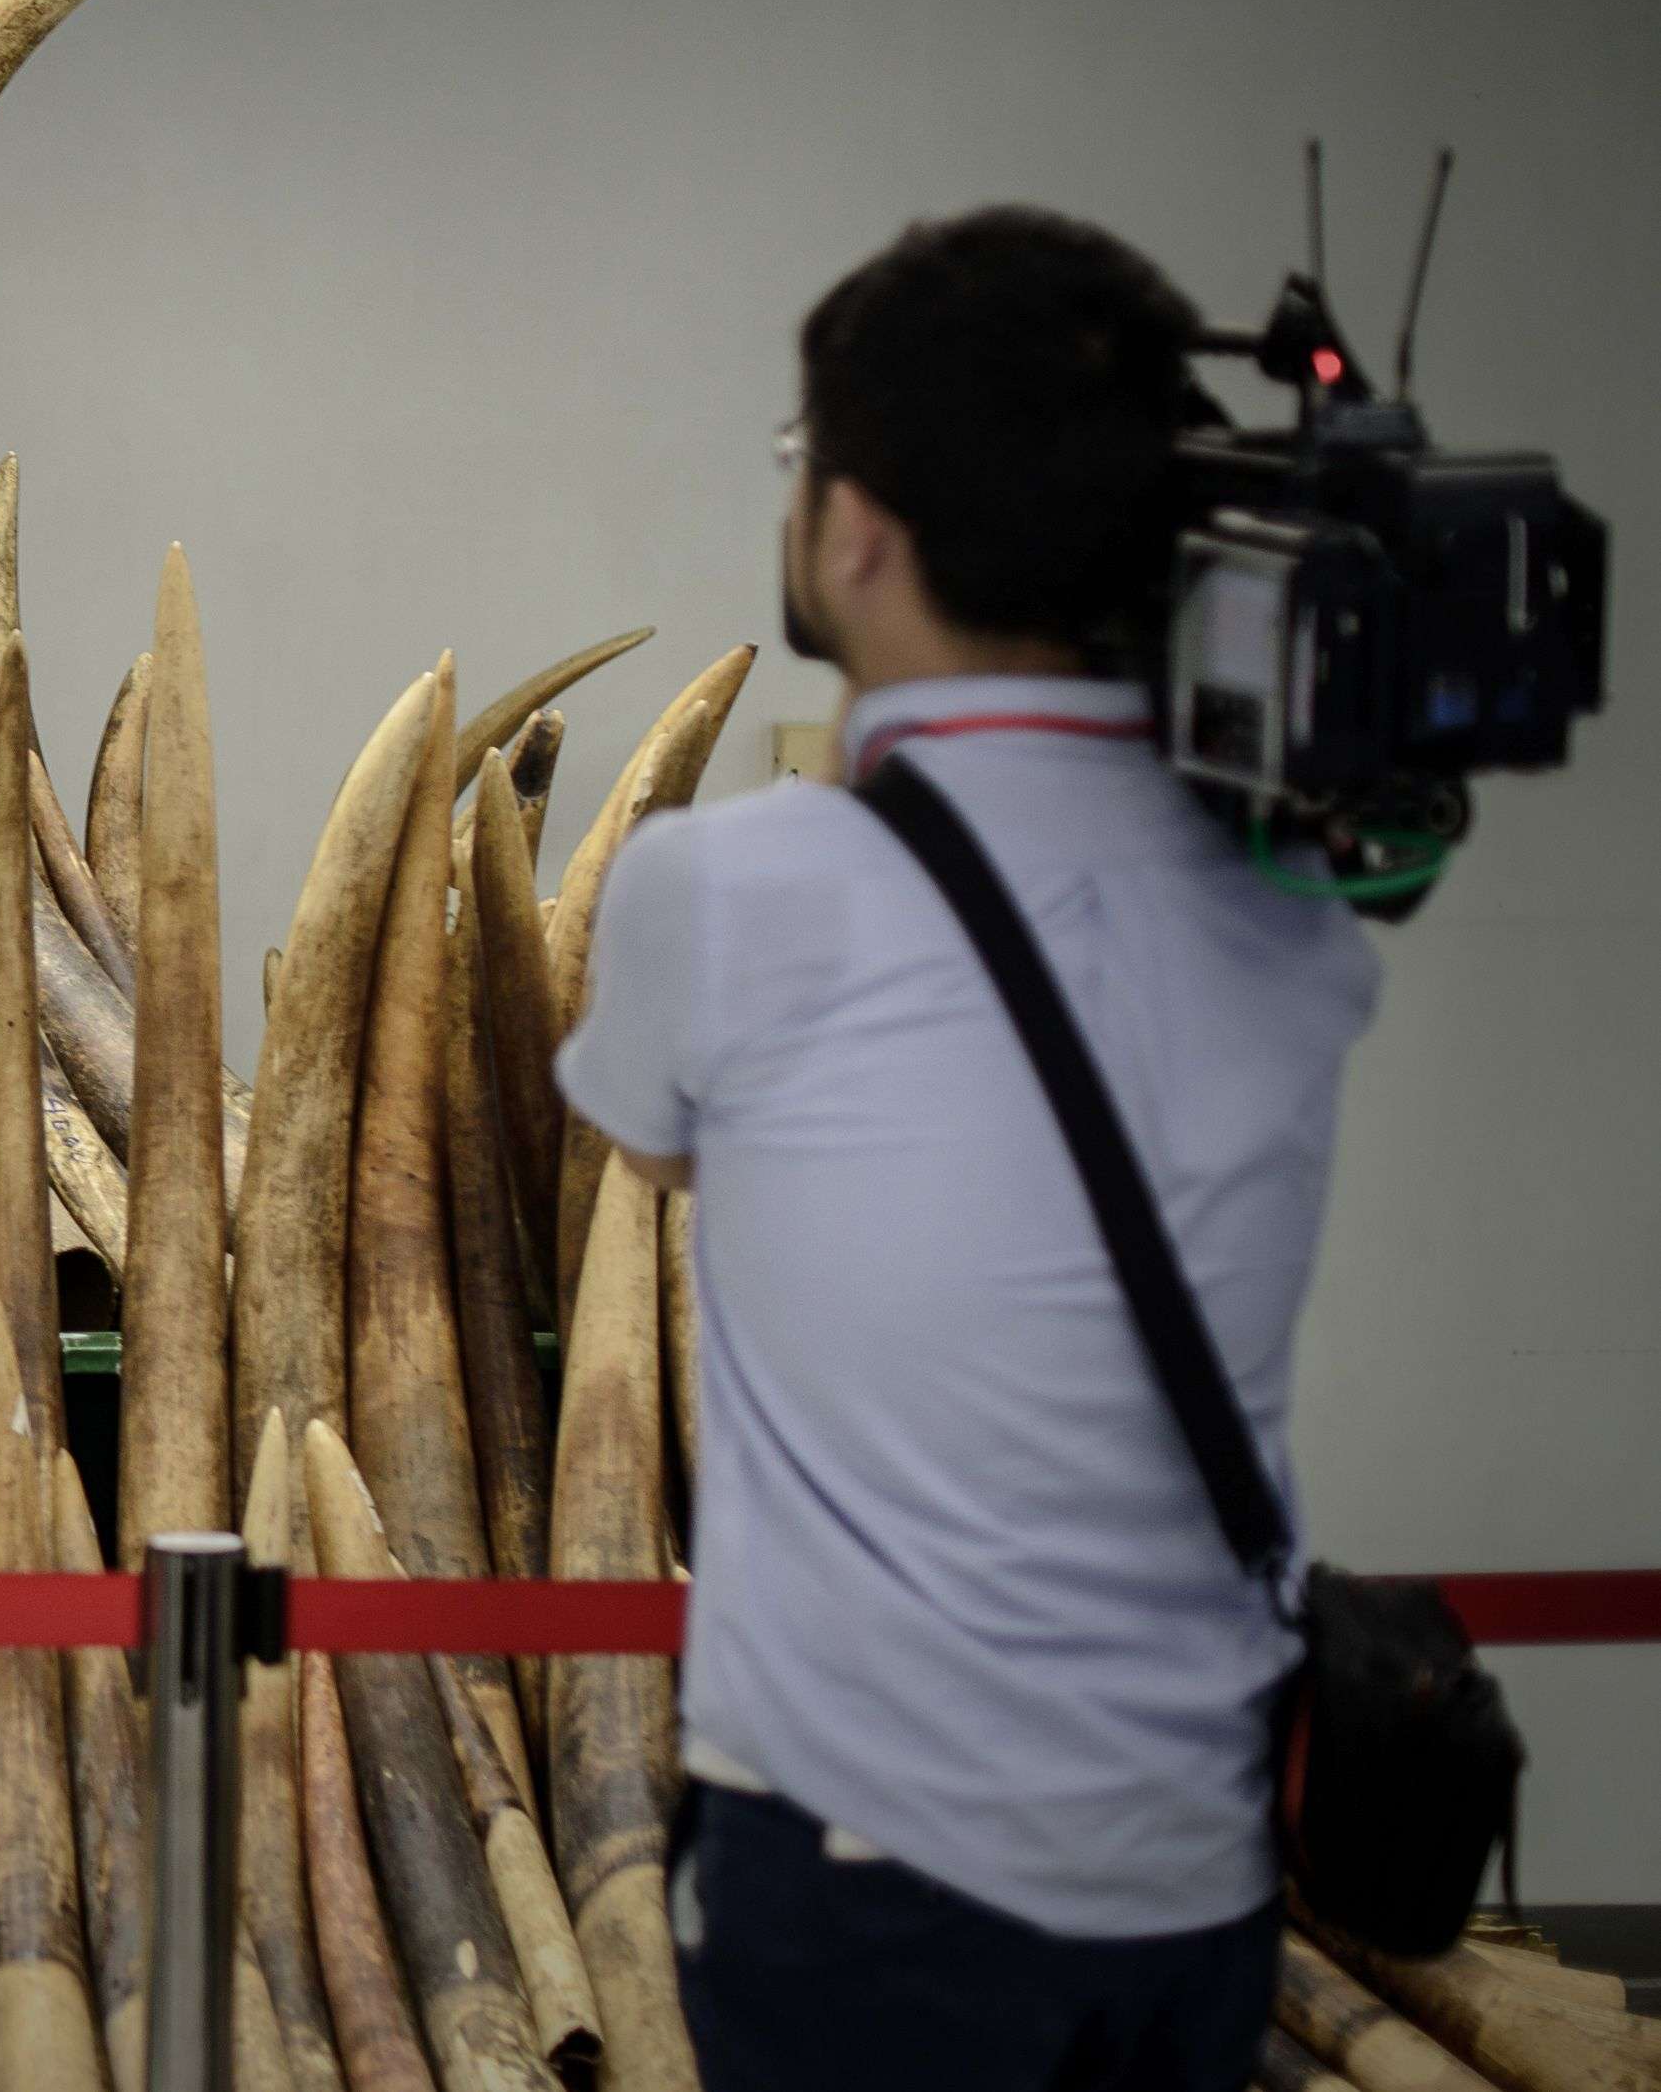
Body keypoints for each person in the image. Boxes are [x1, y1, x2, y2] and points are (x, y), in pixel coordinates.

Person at [554, 207, 1381, 2091]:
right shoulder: (1291, 915)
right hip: (1189, 1874)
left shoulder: (725, 892)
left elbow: (657, 1151)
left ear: (854, 525)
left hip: (868, 1874)